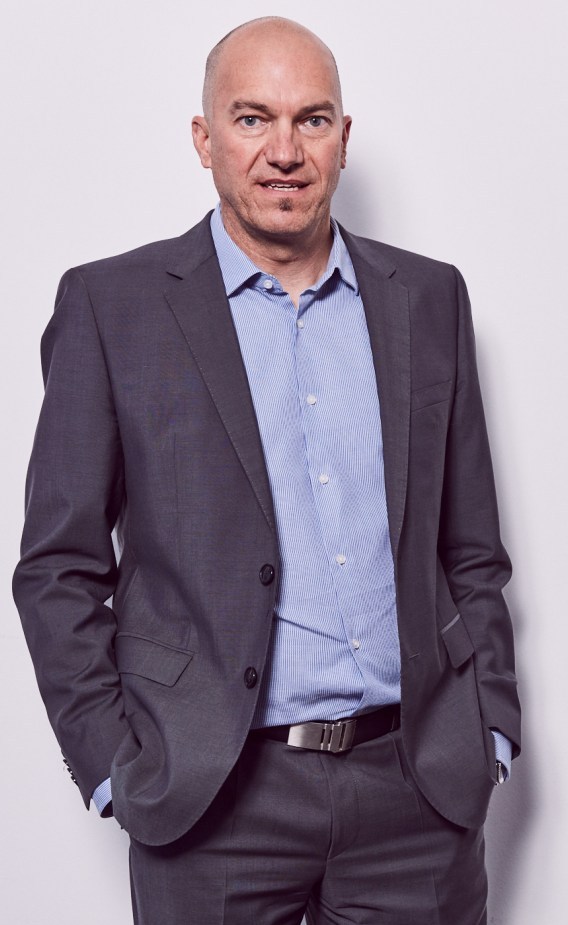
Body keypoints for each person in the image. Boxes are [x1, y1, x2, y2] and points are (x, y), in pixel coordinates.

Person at [13, 16, 521, 925]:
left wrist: (488, 726)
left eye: (311, 119)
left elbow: (471, 547)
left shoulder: (429, 298)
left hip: (416, 793)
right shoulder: (112, 307)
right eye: (252, 119)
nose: (284, 151)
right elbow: (58, 565)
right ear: (204, 138)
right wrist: (113, 765)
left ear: (343, 137)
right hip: (211, 799)